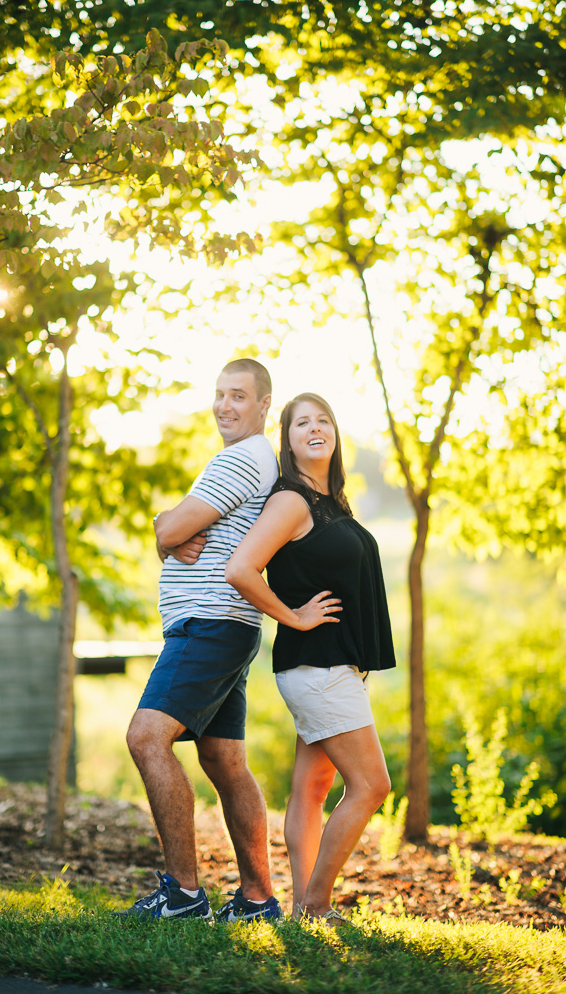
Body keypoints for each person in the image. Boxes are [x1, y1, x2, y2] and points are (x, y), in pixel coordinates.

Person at [122, 359, 283, 922]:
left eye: (238, 396)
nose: (224, 406)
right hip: (227, 626)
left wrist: (166, 531)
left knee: (146, 738)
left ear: (265, 404)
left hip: (209, 623)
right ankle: (257, 901)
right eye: (219, 395)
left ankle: (184, 896)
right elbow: (177, 531)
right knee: (224, 761)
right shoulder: (256, 460)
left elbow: (170, 529)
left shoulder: (242, 457)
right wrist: (173, 532)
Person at [225, 392, 395, 922]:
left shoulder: (329, 501)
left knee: (313, 787)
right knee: (371, 786)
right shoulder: (292, 500)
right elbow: (241, 568)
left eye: (324, 419)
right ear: (289, 438)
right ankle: (317, 905)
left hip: (329, 665)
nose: (315, 427)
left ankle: (303, 903)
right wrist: (293, 615)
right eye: (303, 422)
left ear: (336, 433)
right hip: (316, 666)